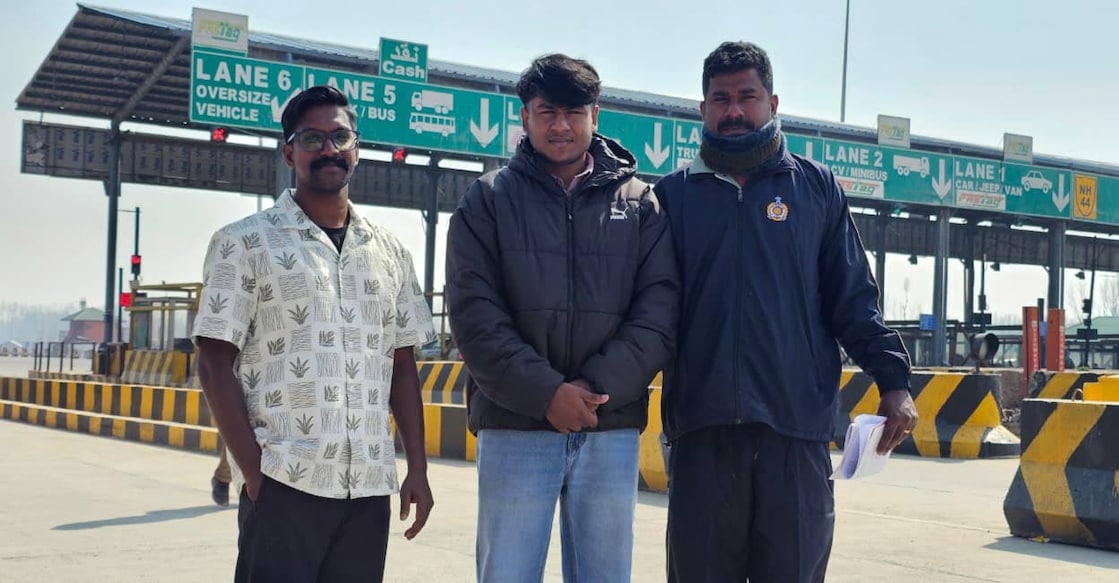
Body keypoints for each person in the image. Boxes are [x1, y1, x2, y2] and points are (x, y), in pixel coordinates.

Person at [654, 41, 918, 582]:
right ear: (701, 109)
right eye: (720, 99)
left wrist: (894, 380)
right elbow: (648, 317)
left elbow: (853, 299)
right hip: (702, 434)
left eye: (746, 97)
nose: (733, 111)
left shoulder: (816, 189)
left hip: (795, 435)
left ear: (773, 103)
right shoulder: (673, 198)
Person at [446, 54, 678, 583]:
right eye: (546, 110)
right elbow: (475, 317)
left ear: (596, 114)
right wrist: (547, 394)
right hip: (515, 423)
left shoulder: (641, 205)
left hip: (608, 424)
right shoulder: (487, 201)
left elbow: (659, 312)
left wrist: (593, 389)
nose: (560, 124)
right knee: (506, 573)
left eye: (573, 111)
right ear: (524, 116)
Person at [193, 85, 437, 583]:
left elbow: (403, 367)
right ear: (289, 152)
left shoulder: (391, 252)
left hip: (369, 485)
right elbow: (214, 363)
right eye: (312, 138)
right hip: (285, 481)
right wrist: (257, 477)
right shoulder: (244, 242)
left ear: (357, 148)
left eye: (339, 137)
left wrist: (418, 468)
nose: (328, 148)